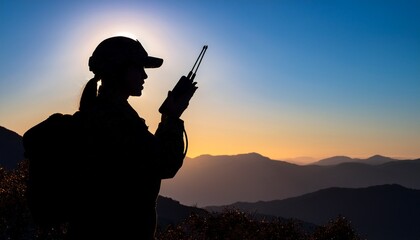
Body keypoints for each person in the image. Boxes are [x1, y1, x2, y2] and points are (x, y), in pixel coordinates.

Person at [67, 36, 196, 239]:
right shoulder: (116, 120)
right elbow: (164, 163)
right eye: (138, 68)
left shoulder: (96, 114)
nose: (144, 76)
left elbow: (145, 157)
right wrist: (171, 118)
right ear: (119, 70)